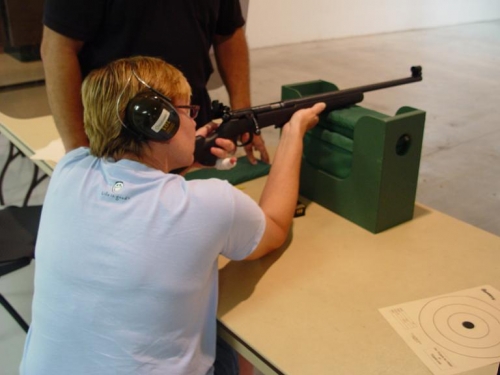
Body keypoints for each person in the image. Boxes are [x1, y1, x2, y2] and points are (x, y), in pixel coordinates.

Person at [19, 56, 324, 375]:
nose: (195, 121)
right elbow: (274, 225)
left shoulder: (71, 170)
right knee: (246, 349)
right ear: (158, 122)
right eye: (188, 111)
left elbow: (126, 185)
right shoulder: (211, 203)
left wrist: (179, 160)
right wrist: (293, 133)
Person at [40, 0, 269, 165]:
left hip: (190, 119)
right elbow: (57, 49)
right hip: (120, 136)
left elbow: (228, 31)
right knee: (125, 212)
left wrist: (243, 114)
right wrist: (79, 155)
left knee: (195, 211)